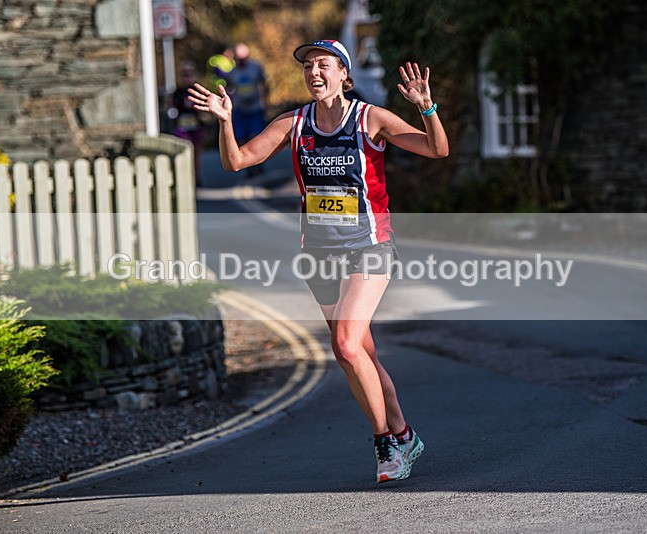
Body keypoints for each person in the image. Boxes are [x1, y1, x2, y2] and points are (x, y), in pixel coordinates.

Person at [188, 39, 449, 483]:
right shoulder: (294, 122)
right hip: (320, 255)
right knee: (360, 354)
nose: (314, 72)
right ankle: (404, 433)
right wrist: (226, 121)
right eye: (309, 66)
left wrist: (427, 108)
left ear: (343, 74)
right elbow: (236, 162)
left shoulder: (370, 119)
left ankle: (387, 446)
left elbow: (436, 150)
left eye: (324, 64)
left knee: (346, 345)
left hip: (370, 247)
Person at [223, 43, 268, 177]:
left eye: (243, 59)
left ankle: (259, 162)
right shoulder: (232, 72)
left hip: (255, 108)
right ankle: (248, 165)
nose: (241, 62)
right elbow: (229, 89)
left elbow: (264, 85)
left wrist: (265, 102)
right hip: (240, 109)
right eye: (238, 59)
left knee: (256, 136)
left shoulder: (256, 68)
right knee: (241, 138)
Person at [170, 61, 207, 186]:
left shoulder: (197, 90)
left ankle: (197, 177)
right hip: (182, 127)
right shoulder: (177, 92)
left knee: (196, 154)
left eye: (189, 74)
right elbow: (173, 108)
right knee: (183, 153)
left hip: (195, 126)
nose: (187, 77)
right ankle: (185, 178)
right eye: (184, 74)